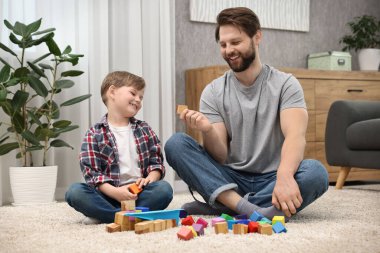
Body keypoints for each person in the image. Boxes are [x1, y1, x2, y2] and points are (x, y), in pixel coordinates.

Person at [165, 7, 328, 220]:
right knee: (176, 144)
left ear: (257, 36)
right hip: (231, 177)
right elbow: (220, 155)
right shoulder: (213, 91)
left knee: (316, 173)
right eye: (223, 45)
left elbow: (295, 137)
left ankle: (227, 206)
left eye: (235, 42)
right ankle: (254, 209)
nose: (228, 50)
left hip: (273, 177)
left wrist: (285, 176)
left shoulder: (286, 85)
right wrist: (207, 131)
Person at [65, 71, 173, 224]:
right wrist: (115, 193)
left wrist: (150, 179)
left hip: (138, 194)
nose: (138, 100)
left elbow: (156, 163)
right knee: (75, 192)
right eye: (133, 93)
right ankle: (125, 216)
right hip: (108, 194)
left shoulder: (144, 129)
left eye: (141, 97)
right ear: (112, 92)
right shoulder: (94, 133)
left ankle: (108, 216)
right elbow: (92, 173)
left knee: (164, 190)